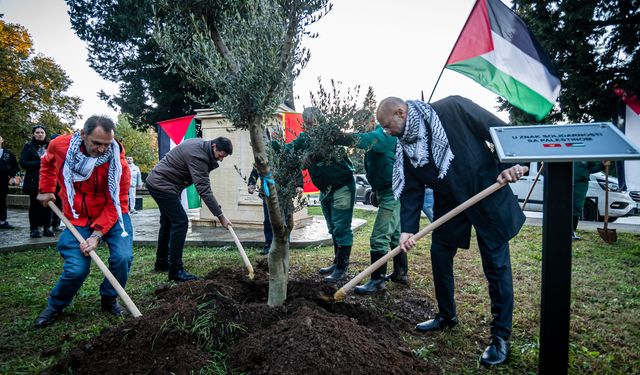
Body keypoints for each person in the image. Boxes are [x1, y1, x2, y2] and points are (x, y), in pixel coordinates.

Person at [376, 96, 525, 367]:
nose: (388, 133)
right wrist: (408, 230)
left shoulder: (452, 108)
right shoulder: (406, 146)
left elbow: (497, 129)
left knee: (495, 263)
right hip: (449, 199)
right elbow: (411, 189)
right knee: (440, 254)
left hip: (486, 190)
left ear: (400, 112)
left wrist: (510, 165)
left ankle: (500, 337)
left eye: (388, 126)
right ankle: (446, 316)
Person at [33, 116, 133, 328]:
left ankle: (109, 298)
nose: (102, 149)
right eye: (96, 143)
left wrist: (96, 234)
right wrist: (46, 189)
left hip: (113, 212)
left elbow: (117, 201)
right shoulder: (59, 145)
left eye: (107, 144)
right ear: (83, 135)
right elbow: (47, 163)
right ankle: (55, 305)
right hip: (77, 214)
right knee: (76, 269)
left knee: (122, 258)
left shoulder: (119, 164)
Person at [335, 109, 404, 294]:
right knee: (395, 236)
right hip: (383, 190)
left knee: (379, 237)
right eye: (357, 127)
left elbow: (365, 140)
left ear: (372, 121)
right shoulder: (375, 136)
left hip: (393, 192)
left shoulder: (384, 134)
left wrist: (337, 136)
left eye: (362, 126)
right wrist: (374, 189)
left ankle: (377, 281)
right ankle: (401, 273)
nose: (361, 130)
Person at [145, 137, 233, 282]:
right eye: (220, 155)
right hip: (161, 185)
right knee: (181, 222)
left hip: (161, 183)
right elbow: (204, 189)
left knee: (168, 222)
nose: (221, 160)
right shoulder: (198, 155)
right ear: (214, 146)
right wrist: (221, 216)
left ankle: (161, 262)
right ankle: (176, 270)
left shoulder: (200, 145)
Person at [290, 107, 356, 283]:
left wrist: (312, 155)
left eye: (313, 123)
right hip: (325, 190)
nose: (310, 127)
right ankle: (336, 263)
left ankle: (342, 268)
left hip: (342, 186)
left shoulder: (332, 135)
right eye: (307, 124)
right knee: (332, 227)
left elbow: (340, 149)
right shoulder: (304, 138)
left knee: (341, 227)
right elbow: (291, 151)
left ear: (320, 121)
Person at [20, 125, 53, 238]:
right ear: (33, 134)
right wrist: (40, 163)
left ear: (45, 134)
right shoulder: (28, 147)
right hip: (33, 180)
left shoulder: (50, 146)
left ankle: (47, 228)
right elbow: (23, 163)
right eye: (37, 132)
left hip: (48, 180)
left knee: (48, 205)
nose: (40, 134)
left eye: (42, 132)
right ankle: (34, 229)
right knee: (34, 206)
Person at [572, 161, 604, 240]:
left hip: (581, 183)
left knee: (577, 207)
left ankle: (571, 231)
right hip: (563, 180)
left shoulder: (585, 154)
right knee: (563, 205)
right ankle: (560, 231)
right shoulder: (564, 151)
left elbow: (592, 168)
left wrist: (603, 165)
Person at [0, 134, 20, 229]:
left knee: (2, 200)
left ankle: (2, 221)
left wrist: (11, 176)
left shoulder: (8, 154)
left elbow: (16, 166)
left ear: (2, 140)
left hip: (3, 180)